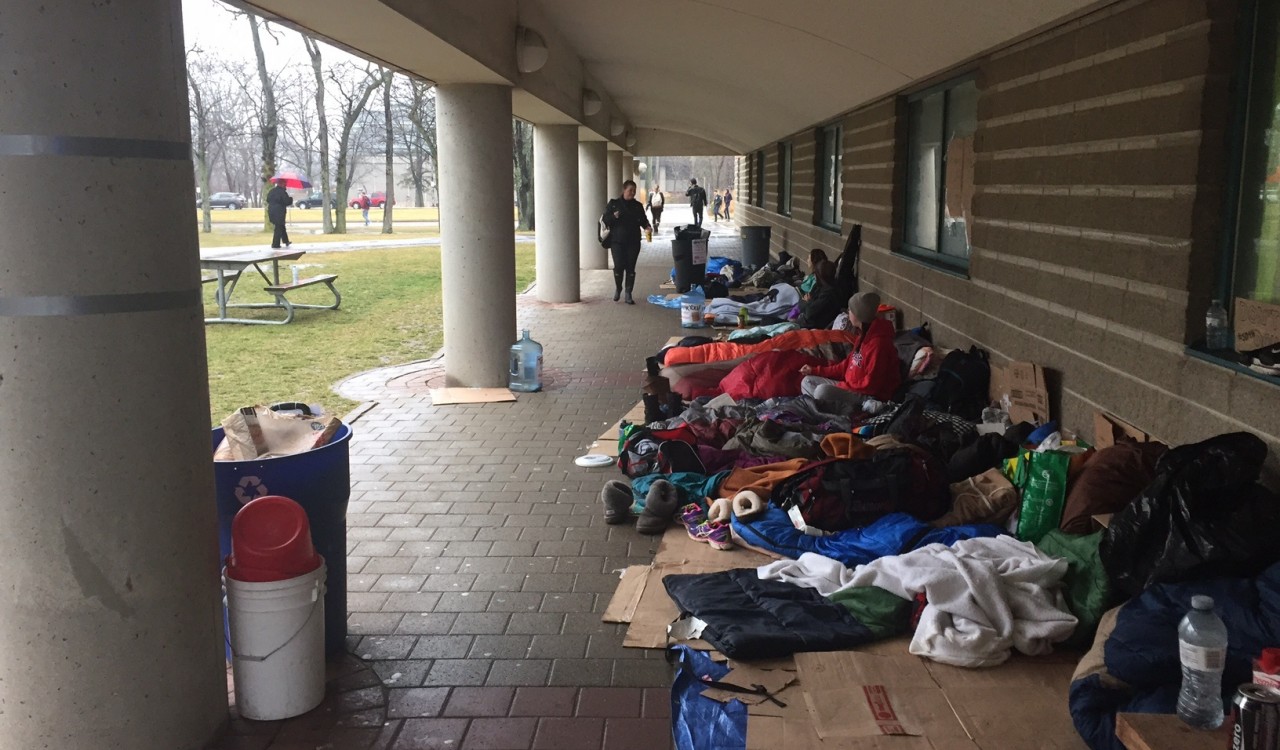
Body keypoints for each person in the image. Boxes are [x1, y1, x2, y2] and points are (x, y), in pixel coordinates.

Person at [798, 292, 900, 413]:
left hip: (868, 396)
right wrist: (815, 370)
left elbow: (871, 385)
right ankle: (825, 410)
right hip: (850, 387)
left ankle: (832, 411)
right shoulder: (863, 336)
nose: (848, 312)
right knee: (807, 381)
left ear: (858, 315)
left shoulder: (879, 344)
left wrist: (842, 387)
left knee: (822, 391)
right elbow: (845, 366)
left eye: (850, 310)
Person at [603, 179, 651, 304]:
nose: (633, 193)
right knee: (618, 266)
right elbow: (606, 220)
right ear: (624, 190)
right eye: (630, 190)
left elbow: (643, 220)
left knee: (631, 267)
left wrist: (647, 226)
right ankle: (619, 288)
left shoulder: (638, 206)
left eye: (634, 191)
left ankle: (628, 293)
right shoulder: (614, 204)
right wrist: (614, 216)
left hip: (633, 241)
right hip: (617, 241)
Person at [795, 260, 843, 329]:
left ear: (820, 275)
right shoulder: (821, 286)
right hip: (806, 318)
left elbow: (810, 313)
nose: (814, 276)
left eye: (815, 273)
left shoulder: (829, 293)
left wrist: (807, 302)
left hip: (813, 325)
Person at [266, 178, 293, 249]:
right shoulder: (282, 192)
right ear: (281, 184)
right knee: (278, 227)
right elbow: (287, 202)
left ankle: (286, 241)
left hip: (271, 211)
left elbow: (268, 199)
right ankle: (275, 244)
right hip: (279, 212)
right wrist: (291, 199)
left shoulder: (272, 191)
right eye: (285, 184)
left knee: (281, 226)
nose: (286, 185)